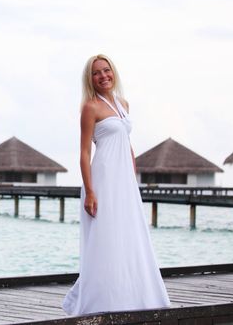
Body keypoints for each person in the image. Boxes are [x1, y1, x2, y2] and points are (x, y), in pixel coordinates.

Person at [62, 54, 170, 315]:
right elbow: (85, 153)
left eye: (106, 70)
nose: (103, 76)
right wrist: (90, 191)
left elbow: (128, 147)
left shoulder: (124, 104)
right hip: (103, 178)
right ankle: (99, 301)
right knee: (105, 236)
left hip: (124, 181)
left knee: (128, 234)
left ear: (113, 73)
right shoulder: (90, 108)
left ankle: (132, 296)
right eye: (96, 73)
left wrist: (132, 182)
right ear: (90, 79)